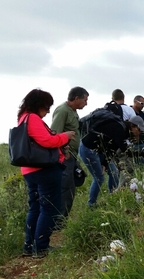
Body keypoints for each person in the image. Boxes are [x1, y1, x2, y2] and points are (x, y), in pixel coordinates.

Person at [16, 89, 74, 257]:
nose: (48, 111)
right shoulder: (33, 118)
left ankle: (29, 246)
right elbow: (47, 141)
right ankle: (41, 247)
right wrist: (65, 137)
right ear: (38, 105)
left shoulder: (23, 118)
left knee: (35, 208)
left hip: (29, 170)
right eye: (47, 106)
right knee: (49, 208)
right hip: (44, 169)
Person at [78, 108, 140, 206]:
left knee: (113, 171)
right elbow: (126, 151)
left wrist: (104, 163)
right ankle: (91, 204)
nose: (139, 133)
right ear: (133, 126)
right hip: (88, 149)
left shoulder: (122, 128)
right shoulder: (120, 129)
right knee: (99, 177)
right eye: (139, 130)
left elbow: (112, 149)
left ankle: (113, 197)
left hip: (99, 151)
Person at [50, 86, 88, 219]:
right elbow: (54, 133)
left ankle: (62, 218)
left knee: (70, 187)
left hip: (71, 155)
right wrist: (63, 151)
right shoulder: (62, 111)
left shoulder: (73, 111)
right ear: (76, 98)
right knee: (64, 188)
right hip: (64, 156)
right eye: (85, 100)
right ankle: (58, 220)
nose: (86, 103)